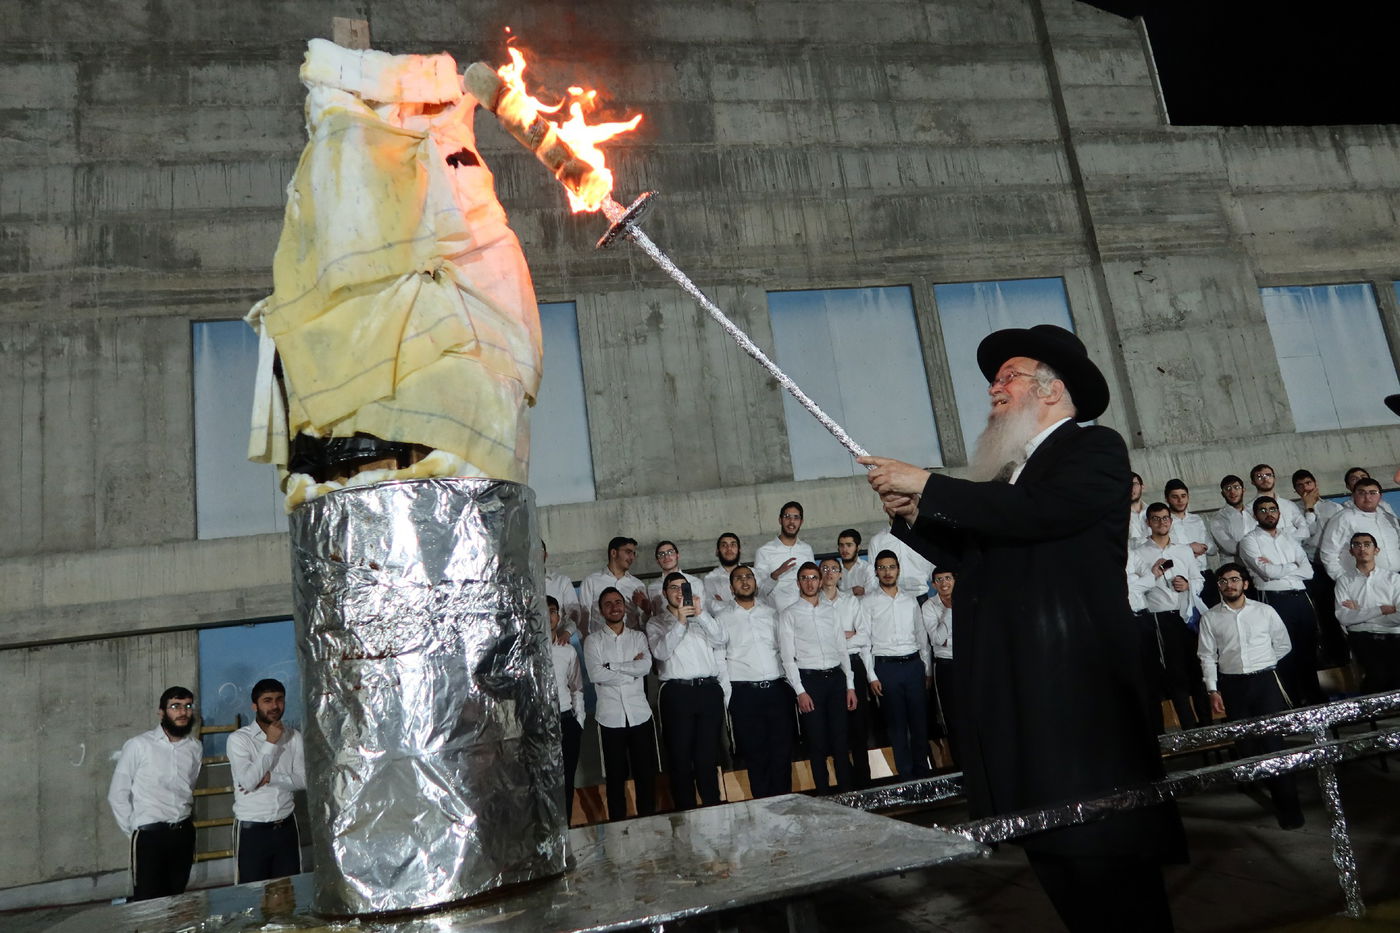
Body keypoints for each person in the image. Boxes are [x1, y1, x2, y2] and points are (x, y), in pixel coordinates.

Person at [859, 324, 1183, 932]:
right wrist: (915, 514)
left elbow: (1041, 516)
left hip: (1075, 704)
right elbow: (982, 550)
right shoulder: (1012, 478)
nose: (993, 390)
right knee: (1060, 863)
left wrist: (928, 483)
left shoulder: (1093, 451)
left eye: (1008, 376)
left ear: (1052, 390)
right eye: (993, 380)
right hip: (1024, 701)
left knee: (1109, 873)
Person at [1197, 563, 1305, 830]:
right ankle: (1261, 785)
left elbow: (1283, 644)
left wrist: (1264, 662)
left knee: (1273, 744)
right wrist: (1213, 689)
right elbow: (1207, 656)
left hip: (1265, 682)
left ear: (1245, 583)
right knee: (1246, 745)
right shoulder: (1210, 618)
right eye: (1223, 581)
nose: (1229, 585)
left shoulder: (1265, 611)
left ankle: (1289, 810)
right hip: (1233, 686)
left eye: (1234, 580)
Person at [107, 686, 203, 901]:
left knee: (176, 899)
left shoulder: (195, 747)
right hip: (150, 837)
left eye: (188, 706)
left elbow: (189, 787)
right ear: (162, 712)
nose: (182, 712)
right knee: (149, 904)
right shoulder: (139, 745)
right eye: (175, 706)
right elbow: (117, 794)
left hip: (183, 834)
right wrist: (136, 832)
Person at [648, 571, 728, 810]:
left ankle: (713, 808)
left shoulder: (702, 617)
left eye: (683, 588)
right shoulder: (656, 622)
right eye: (673, 588)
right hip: (677, 693)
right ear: (665, 593)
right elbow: (661, 653)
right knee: (680, 757)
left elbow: (721, 639)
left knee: (708, 756)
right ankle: (686, 812)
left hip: (708, 689)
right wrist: (681, 622)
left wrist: (699, 614)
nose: (678, 592)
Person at [777, 562, 857, 794]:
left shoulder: (830, 610)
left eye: (814, 577)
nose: (810, 582)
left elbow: (842, 649)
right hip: (809, 681)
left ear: (821, 581)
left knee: (841, 741)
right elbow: (787, 657)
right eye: (805, 578)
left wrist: (850, 685)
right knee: (817, 743)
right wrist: (800, 691)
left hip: (835, 679)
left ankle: (848, 794)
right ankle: (823, 795)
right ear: (798, 582)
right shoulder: (789, 614)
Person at [716, 564, 793, 798]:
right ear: (731, 587)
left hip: (776, 690)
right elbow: (720, 659)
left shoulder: (772, 613)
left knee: (782, 753)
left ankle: (786, 805)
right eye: (739, 578)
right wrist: (729, 698)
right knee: (755, 755)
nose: (745, 581)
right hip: (744, 694)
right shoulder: (722, 618)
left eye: (749, 576)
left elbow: (785, 651)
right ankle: (764, 809)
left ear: (756, 582)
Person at [1238, 497, 1323, 707]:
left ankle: (1315, 700)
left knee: (1308, 650)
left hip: (1301, 598)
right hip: (1275, 599)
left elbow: (1309, 571)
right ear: (1255, 515)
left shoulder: (1288, 538)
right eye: (1263, 510)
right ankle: (1292, 703)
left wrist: (1281, 568)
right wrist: (1292, 565)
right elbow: (1267, 573)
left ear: (1279, 513)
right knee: (1285, 652)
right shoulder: (1249, 541)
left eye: (1273, 509)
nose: (1269, 513)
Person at [583, 588, 657, 820]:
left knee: (646, 775)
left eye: (618, 602)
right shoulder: (593, 641)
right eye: (608, 604)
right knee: (615, 779)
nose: (614, 607)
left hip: (640, 715)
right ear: (601, 609)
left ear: (624, 606)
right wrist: (629, 670)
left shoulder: (638, 637)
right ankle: (619, 830)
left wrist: (612, 666)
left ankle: (649, 824)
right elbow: (596, 675)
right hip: (610, 718)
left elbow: (645, 668)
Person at [1135, 502, 1209, 730]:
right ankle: (1188, 728)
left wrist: (1188, 584)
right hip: (1160, 617)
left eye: (1166, 518)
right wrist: (1155, 576)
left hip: (1186, 615)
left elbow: (1199, 579)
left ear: (1171, 521)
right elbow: (1136, 588)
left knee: (1197, 669)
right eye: (1156, 518)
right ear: (1148, 523)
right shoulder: (1139, 553)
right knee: (1175, 673)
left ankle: (1208, 726)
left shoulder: (1183, 550)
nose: (1162, 522)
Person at [227, 678, 307, 884]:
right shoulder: (239, 739)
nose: (274, 706)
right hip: (252, 831)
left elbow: (303, 781)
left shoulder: (294, 737)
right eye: (267, 700)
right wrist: (271, 742)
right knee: (251, 897)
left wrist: (272, 778)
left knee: (289, 893)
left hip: (286, 827)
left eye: (279, 700)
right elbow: (249, 782)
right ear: (255, 705)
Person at [864, 549, 933, 777]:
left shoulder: (910, 600)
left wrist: (926, 669)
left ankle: (923, 774)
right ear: (876, 571)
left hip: (913, 666)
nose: (887, 572)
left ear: (898, 570)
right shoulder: (868, 602)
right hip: (886, 668)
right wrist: (871, 676)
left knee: (919, 723)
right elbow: (865, 642)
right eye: (882, 567)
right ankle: (905, 775)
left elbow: (922, 636)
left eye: (891, 567)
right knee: (896, 726)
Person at [819, 556, 876, 788]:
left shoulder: (851, 602)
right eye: (825, 569)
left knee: (858, 725)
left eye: (834, 569)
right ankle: (845, 780)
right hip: (829, 668)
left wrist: (837, 639)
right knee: (835, 726)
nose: (830, 572)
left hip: (854, 664)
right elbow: (816, 641)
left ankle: (865, 780)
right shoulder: (814, 603)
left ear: (841, 574)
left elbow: (863, 636)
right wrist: (846, 635)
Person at [1334, 533, 1400, 693]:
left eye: (1367, 544)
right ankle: (1374, 717)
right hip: (1361, 636)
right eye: (1356, 545)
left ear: (1376, 550)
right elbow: (1343, 617)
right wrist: (1381, 609)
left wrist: (1361, 614)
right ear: (1351, 552)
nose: (1361, 548)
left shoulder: (1393, 579)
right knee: (1377, 675)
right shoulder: (1344, 580)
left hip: (1393, 634)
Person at [547, 596, 585, 822]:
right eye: (544, 611)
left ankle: (567, 828)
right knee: (543, 781)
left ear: (558, 617)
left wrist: (578, 720)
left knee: (567, 779)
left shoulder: (567, 650)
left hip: (566, 719)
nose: (549, 615)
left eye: (553, 611)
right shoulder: (526, 651)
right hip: (540, 723)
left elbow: (577, 687)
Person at [1320, 478, 1400, 581]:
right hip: (1363, 582)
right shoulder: (1344, 518)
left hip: (1395, 581)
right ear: (1353, 496)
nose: (1367, 497)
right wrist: (1344, 580)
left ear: (1380, 496)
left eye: (1373, 493)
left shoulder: (1389, 518)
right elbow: (1328, 553)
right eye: (1362, 493)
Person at [923, 568, 959, 766]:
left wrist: (946, 636)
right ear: (933, 584)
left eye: (948, 578)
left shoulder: (967, 600)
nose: (944, 582)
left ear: (954, 580)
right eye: (939, 579)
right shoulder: (929, 606)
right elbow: (937, 639)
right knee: (952, 719)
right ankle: (960, 766)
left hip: (968, 664)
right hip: (946, 666)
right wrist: (950, 611)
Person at [578, 536, 651, 633]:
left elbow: (643, 624)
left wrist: (646, 610)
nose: (632, 557)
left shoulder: (637, 584)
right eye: (628, 552)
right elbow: (584, 620)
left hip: (631, 642)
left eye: (634, 553)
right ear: (613, 553)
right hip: (601, 643)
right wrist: (587, 643)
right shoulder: (591, 581)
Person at [754, 501, 815, 611]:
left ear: (801, 522)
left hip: (806, 613)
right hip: (777, 617)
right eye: (787, 517)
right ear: (780, 520)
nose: (791, 521)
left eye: (796, 517)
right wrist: (775, 575)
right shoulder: (764, 551)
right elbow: (759, 593)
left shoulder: (807, 549)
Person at [1164, 479, 1215, 604]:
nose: (1180, 501)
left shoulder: (1196, 519)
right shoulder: (1164, 522)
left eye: (1183, 496)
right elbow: (1163, 550)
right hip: (1180, 577)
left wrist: (1203, 547)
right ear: (1167, 499)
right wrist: (1189, 548)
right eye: (1175, 497)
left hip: (1204, 574)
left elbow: (1212, 548)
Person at [1249, 464, 1308, 545]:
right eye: (1259, 476)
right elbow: (1256, 536)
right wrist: (1290, 530)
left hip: (1298, 553)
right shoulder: (1249, 508)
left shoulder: (1289, 504)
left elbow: (1305, 530)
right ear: (1253, 482)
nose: (1265, 479)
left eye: (1269, 475)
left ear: (1274, 478)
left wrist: (1285, 539)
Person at [646, 541, 705, 617]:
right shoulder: (652, 588)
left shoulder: (696, 582)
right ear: (657, 561)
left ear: (677, 555)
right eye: (661, 554)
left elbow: (702, 612)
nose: (666, 557)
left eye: (670, 552)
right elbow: (655, 615)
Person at [1209, 474, 1255, 563]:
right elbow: (1231, 548)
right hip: (1234, 568)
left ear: (1243, 490)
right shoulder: (1218, 518)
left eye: (1236, 487)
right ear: (1222, 494)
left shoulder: (1253, 512)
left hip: (1259, 567)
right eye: (1228, 489)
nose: (1232, 492)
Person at [542, 540, 583, 641]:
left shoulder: (562, 581)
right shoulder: (519, 585)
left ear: (546, 555)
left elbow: (574, 614)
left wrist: (566, 633)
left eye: (539, 551)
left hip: (560, 640)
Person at [702, 532, 743, 610]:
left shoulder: (753, 573)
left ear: (739, 550)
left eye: (733, 545)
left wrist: (725, 604)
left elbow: (761, 602)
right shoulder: (710, 579)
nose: (729, 549)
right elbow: (713, 609)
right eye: (724, 545)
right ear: (717, 551)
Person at [836, 529, 876, 597]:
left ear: (858, 547)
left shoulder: (867, 568)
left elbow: (871, 595)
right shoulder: (834, 569)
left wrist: (842, 594)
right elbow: (830, 596)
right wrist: (852, 591)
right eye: (841, 545)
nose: (844, 549)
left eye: (849, 545)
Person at [1128, 471, 1149, 548]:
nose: (1130, 488)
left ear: (1142, 487)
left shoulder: (1153, 511)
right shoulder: (1117, 516)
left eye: (1134, 484)